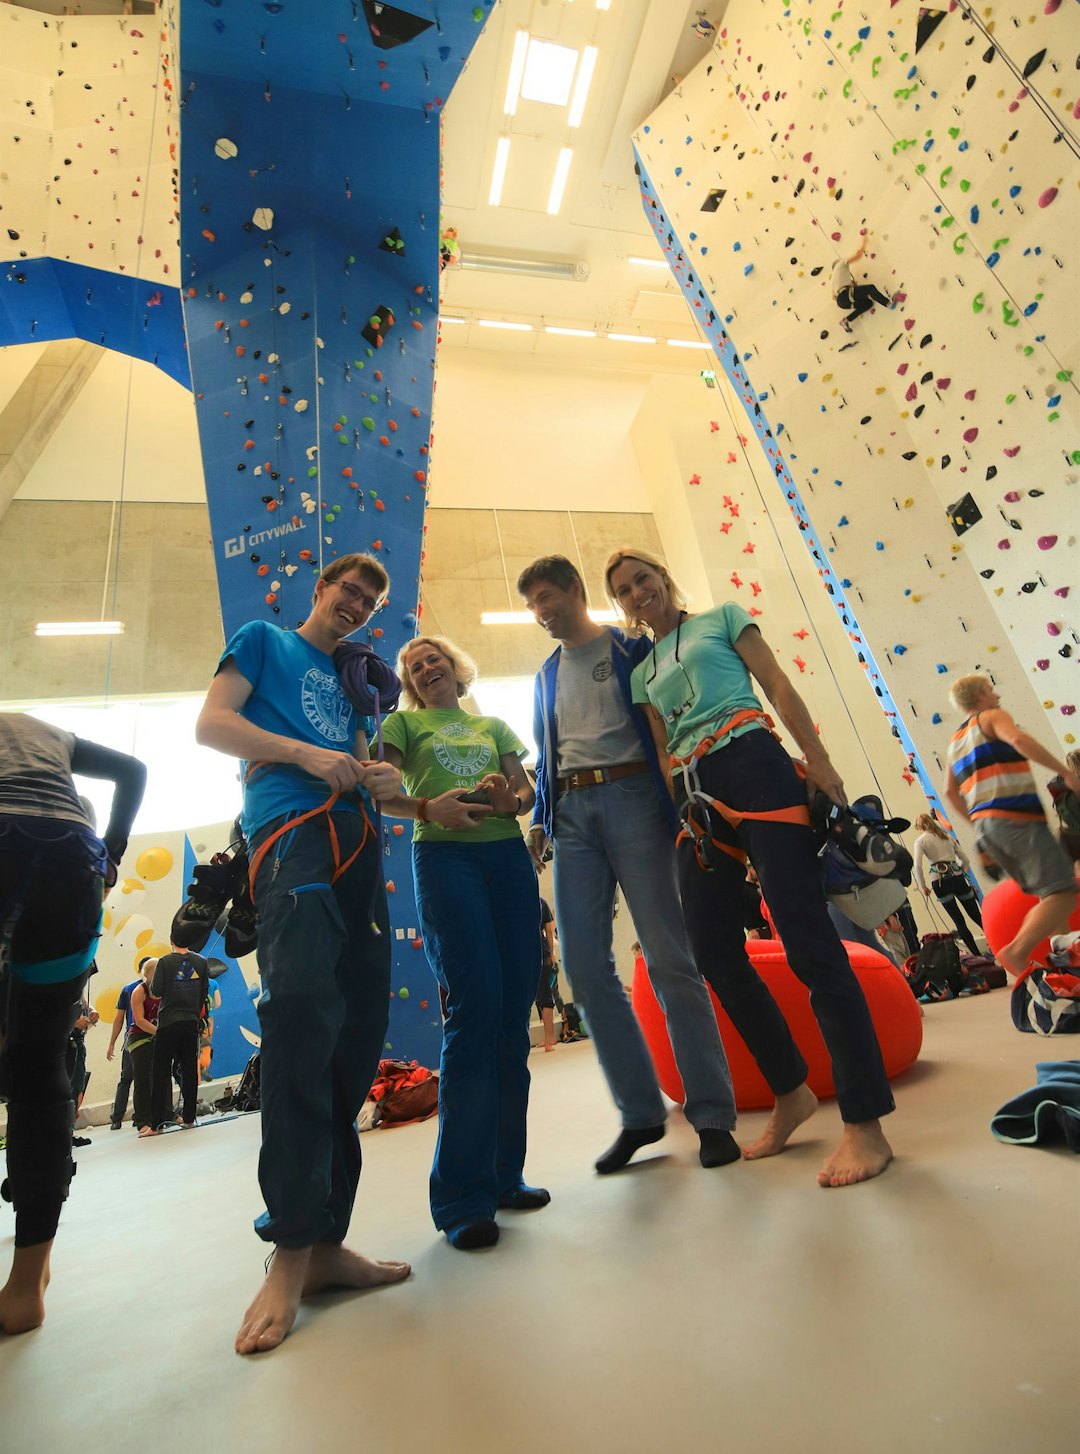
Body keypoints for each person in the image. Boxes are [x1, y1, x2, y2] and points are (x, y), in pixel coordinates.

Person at [605, 548, 896, 1188]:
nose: (636, 593)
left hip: (755, 762)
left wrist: (818, 762)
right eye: (624, 590)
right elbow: (658, 748)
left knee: (808, 943)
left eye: (642, 579)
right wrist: (680, 809)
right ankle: (792, 1091)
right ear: (622, 604)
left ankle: (865, 1126)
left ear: (662, 577)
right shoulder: (642, 670)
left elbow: (779, 685)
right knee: (711, 949)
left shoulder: (723, 619)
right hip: (698, 797)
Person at [195, 552, 410, 1354]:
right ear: (319, 590)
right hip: (290, 838)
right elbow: (212, 725)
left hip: (360, 842)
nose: (355, 604)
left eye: (369, 600)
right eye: (347, 590)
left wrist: (388, 782)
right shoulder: (263, 641)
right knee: (302, 1024)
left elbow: (359, 767)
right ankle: (288, 1250)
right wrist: (304, 754)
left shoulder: (359, 682)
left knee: (355, 1036)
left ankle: (324, 1244)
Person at [518, 554, 739, 1174]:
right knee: (585, 971)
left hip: (636, 798)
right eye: (532, 603)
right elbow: (547, 753)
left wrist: (687, 805)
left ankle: (712, 1114)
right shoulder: (543, 675)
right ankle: (640, 1113)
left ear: (575, 590)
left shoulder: (631, 649)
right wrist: (540, 818)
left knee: (671, 958)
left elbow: (667, 722)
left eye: (547, 596)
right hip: (572, 817)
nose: (541, 611)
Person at [381, 635, 546, 1251]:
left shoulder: (497, 725)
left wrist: (514, 800)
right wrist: (427, 808)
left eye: (435, 660)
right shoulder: (400, 724)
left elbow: (525, 792)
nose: (426, 669)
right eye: (415, 666)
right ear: (410, 682)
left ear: (456, 668)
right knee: (474, 1014)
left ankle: (505, 1176)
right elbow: (380, 787)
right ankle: (461, 1200)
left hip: (506, 859)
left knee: (509, 1018)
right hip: (445, 861)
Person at [0, 711, 145, 1334]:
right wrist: (108, 853)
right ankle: (27, 1282)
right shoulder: (36, 728)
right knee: (38, 1064)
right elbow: (132, 769)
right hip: (71, 863)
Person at [944, 674, 1079, 975]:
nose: (997, 695)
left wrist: (978, 823)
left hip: (989, 828)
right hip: (1016, 819)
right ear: (980, 695)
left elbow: (949, 793)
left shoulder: (955, 740)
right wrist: (1065, 773)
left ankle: (1065, 957)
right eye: (991, 690)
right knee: (1064, 893)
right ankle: (1016, 952)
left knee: (1050, 891)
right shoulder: (991, 716)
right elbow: (1018, 739)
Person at [142, 945, 209, 1134]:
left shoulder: (165, 961)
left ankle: (156, 1125)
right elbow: (204, 992)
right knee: (189, 1070)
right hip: (190, 1021)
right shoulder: (201, 961)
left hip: (169, 1022)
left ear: (172, 941)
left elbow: (156, 990)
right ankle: (189, 1119)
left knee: (161, 1071)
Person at [912, 813, 983, 956]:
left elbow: (917, 866)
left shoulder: (920, 841)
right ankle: (998, 943)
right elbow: (965, 859)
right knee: (976, 915)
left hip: (939, 882)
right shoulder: (947, 837)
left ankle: (976, 955)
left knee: (959, 920)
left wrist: (923, 886)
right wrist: (959, 869)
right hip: (958, 878)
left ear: (920, 827)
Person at [832, 233, 893, 333]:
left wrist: (850, 287)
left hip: (841, 302)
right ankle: (887, 303)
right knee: (870, 288)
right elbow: (857, 256)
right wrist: (864, 243)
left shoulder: (834, 279)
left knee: (867, 303)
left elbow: (833, 297)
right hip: (844, 295)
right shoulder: (841, 263)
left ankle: (845, 321)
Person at [126, 955, 159, 1133]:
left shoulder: (165, 989)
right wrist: (159, 1032)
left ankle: (163, 1115)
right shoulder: (139, 991)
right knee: (142, 1080)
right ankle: (143, 1123)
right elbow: (139, 1020)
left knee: (159, 1078)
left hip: (156, 1037)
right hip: (139, 1038)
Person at [105, 974, 141, 1129]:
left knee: (132, 1079)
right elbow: (119, 1018)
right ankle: (120, 1117)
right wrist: (112, 1043)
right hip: (134, 1037)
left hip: (140, 1037)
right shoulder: (128, 989)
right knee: (130, 1078)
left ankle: (135, 1117)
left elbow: (119, 1019)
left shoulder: (157, 987)